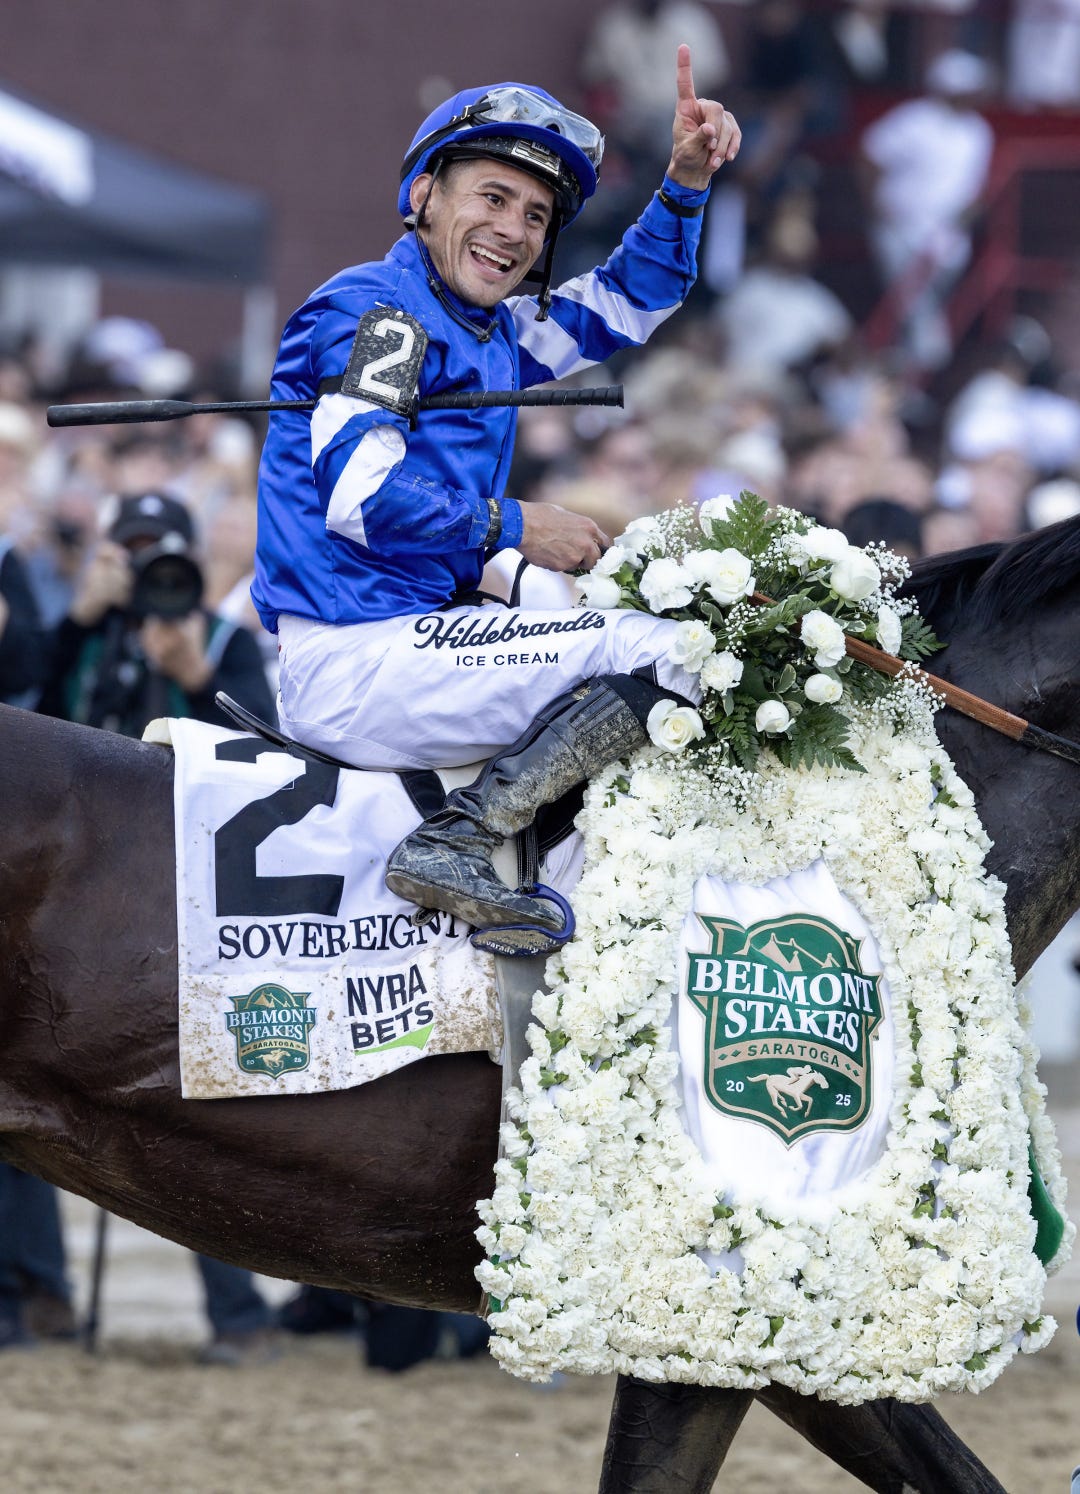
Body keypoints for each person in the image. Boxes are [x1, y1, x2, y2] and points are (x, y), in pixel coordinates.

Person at [253, 48, 740, 941]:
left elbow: (633, 298)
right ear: (424, 195)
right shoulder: (384, 313)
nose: (512, 231)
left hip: (413, 637)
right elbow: (359, 496)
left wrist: (685, 182)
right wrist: (518, 525)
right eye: (492, 197)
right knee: (667, 654)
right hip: (354, 659)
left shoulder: (490, 331)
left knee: (609, 610)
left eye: (535, 215)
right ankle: (460, 841)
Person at [36, 489, 281, 1364]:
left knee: (193, 1099)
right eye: (131, 552)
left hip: (183, 893)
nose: (148, 571)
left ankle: (239, 1315)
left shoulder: (223, 641)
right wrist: (80, 618)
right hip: (78, 899)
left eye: (160, 554)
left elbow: (270, 758)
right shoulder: (92, 633)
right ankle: (39, 1297)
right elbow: (35, 726)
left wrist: (195, 679)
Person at [859, 49, 995, 374]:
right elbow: (870, 154)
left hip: (947, 232)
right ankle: (925, 357)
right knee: (911, 295)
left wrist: (966, 216)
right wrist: (874, 203)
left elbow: (975, 187)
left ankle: (909, 358)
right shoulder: (913, 119)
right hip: (900, 225)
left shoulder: (979, 131)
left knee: (921, 298)